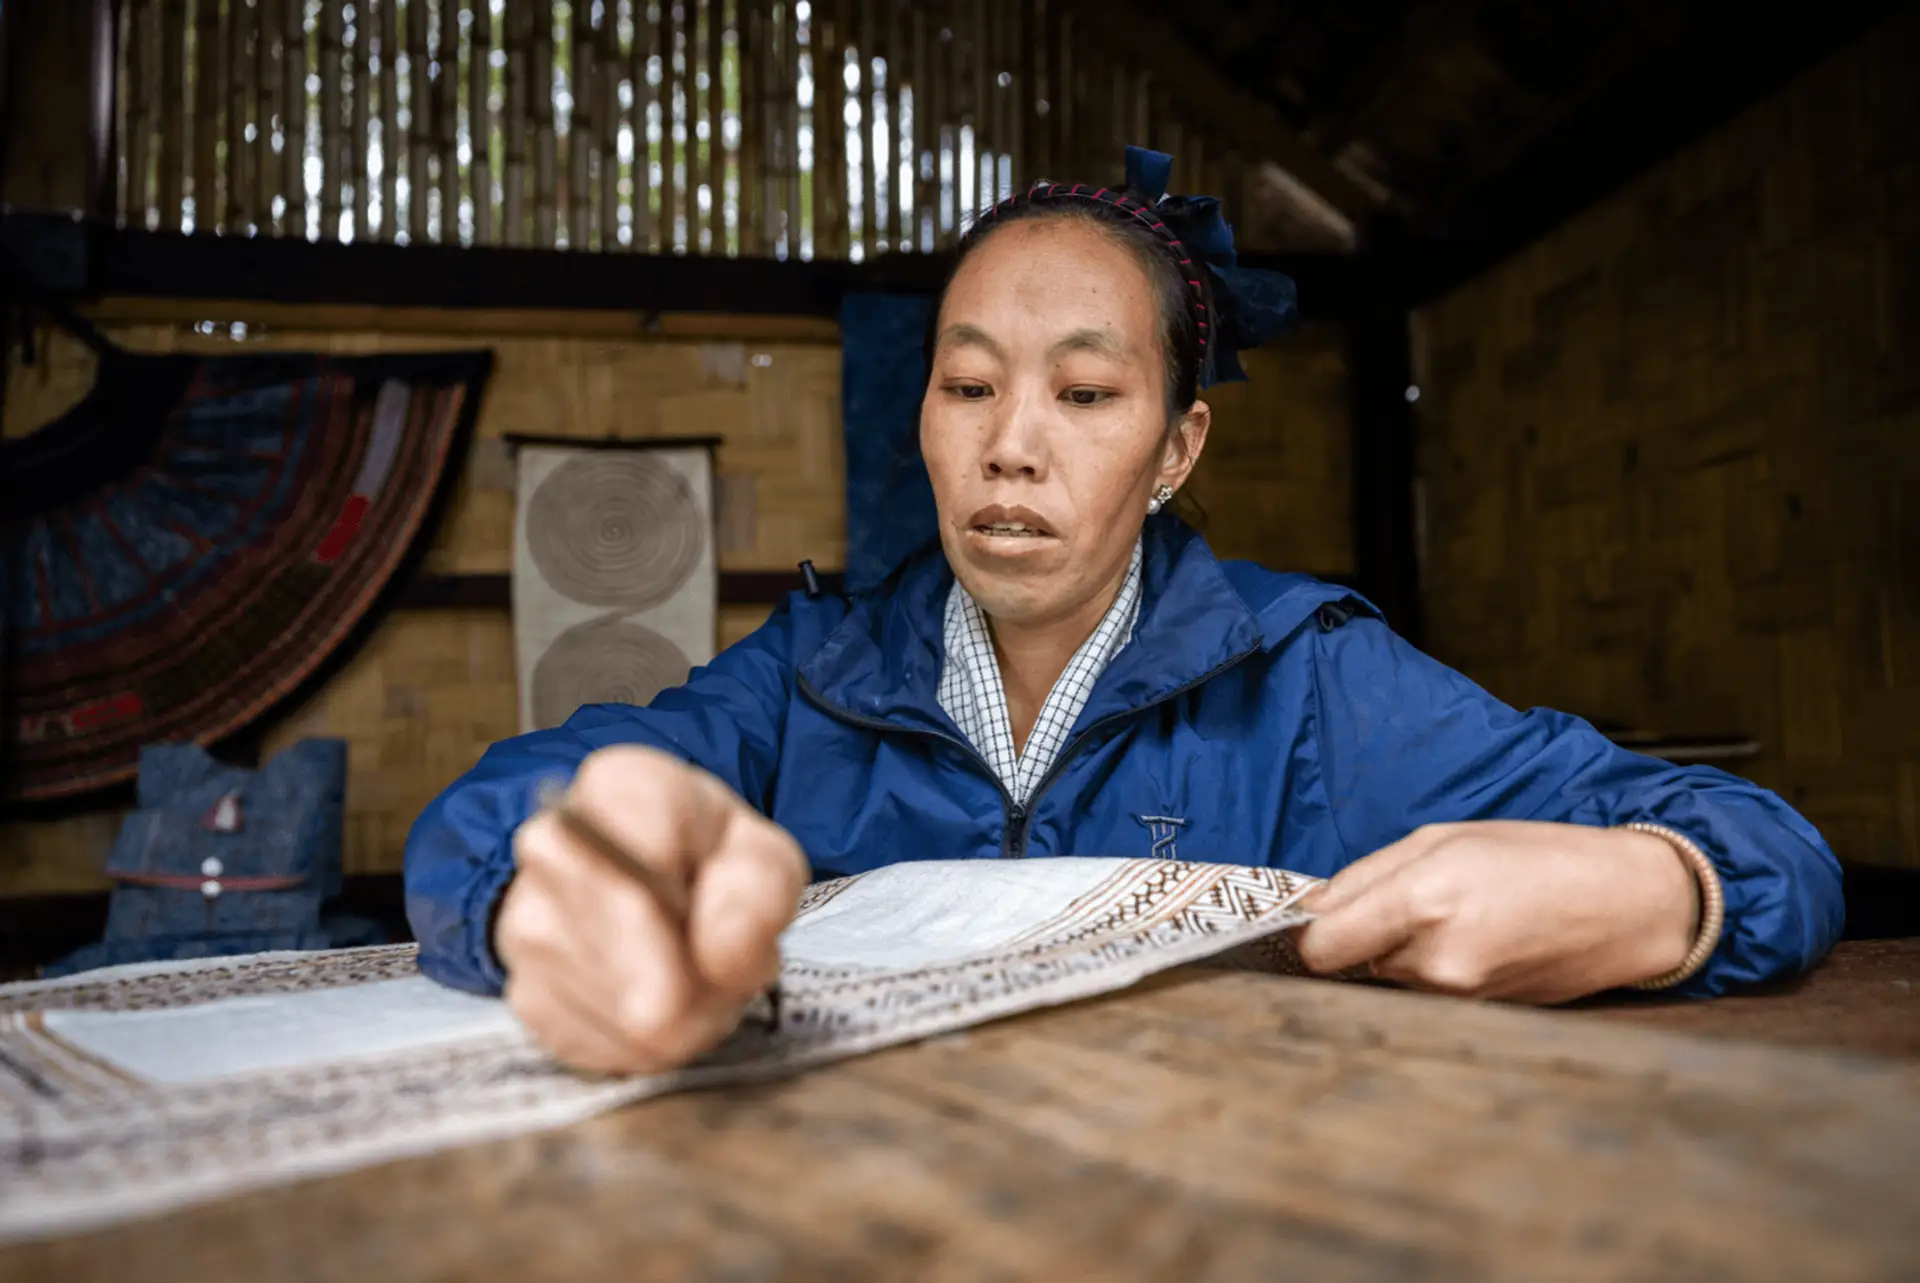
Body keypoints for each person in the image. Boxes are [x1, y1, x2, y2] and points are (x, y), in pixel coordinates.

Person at [404, 148, 1844, 1075]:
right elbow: (493, 814)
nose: (1010, 445)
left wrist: (1665, 894)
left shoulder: (1309, 682)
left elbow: (1764, 844)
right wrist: (552, 881)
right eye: (968, 385)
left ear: (1175, 449)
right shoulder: (809, 679)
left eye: (1087, 393)